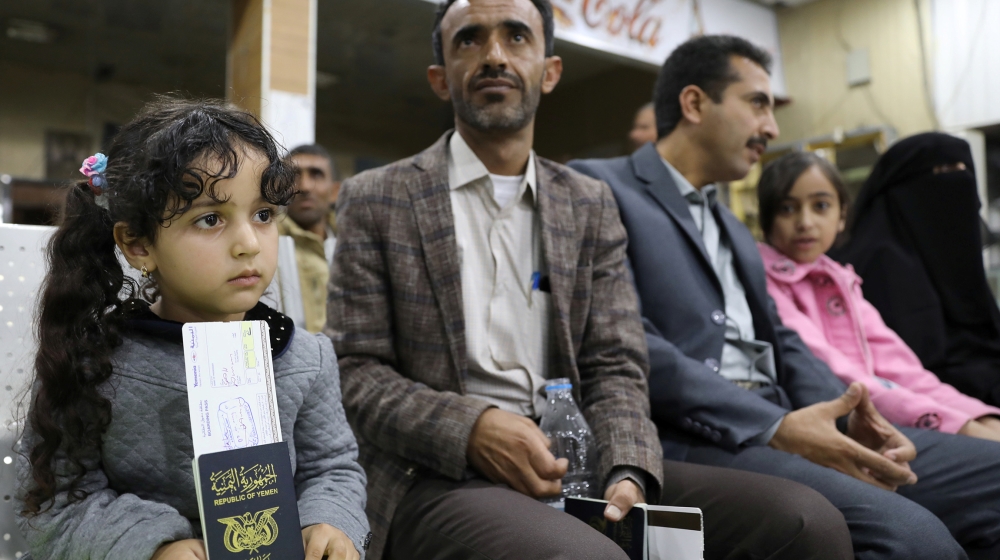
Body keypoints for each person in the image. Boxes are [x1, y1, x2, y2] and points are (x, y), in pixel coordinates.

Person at [328, 3, 852, 559]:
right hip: (440, 471)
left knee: (805, 524)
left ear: (550, 71)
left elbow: (615, 360)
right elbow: (355, 371)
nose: (495, 56)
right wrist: (474, 428)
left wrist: (627, 465)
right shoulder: (377, 198)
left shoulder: (587, 201)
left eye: (516, 37)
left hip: (580, 460)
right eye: (469, 41)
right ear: (440, 79)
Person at [569, 34, 1000, 559]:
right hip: (701, 436)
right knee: (914, 539)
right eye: (757, 103)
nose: (770, 128)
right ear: (694, 103)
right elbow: (628, 342)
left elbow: (784, 339)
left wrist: (849, 413)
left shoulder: (730, 222)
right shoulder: (600, 188)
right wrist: (775, 425)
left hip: (788, 415)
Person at [15, 98, 369, 560]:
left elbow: (333, 468)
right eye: (210, 219)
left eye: (263, 215)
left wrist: (329, 521)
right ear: (139, 244)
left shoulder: (304, 357)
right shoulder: (94, 362)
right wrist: (155, 545)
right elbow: (59, 502)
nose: (248, 245)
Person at [757, 150, 1000, 439]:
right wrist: (956, 425)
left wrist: (976, 416)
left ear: (842, 216)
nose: (805, 222)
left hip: (886, 411)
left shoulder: (841, 280)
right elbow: (839, 372)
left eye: (821, 205)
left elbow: (902, 368)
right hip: (832, 427)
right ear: (766, 220)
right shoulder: (764, 282)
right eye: (787, 209)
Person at [829, 133, 1000, 408]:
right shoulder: (879, 262)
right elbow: (913, 372)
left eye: (964, 171)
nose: (959, 183)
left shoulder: (944, 251)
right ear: (903, 186)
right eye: (944, 171)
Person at [279, 143, 340, 333]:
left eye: (316, 174)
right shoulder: (264, 244)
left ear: (335, 191)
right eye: (294, 176)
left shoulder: (354, 246)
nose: (304, 186)